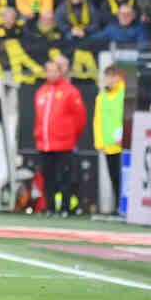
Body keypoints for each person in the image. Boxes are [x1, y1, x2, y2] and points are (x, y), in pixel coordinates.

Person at [34, 59, 87, 215]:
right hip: (44, 144)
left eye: (53, 70)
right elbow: (39, 118)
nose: (50, 74)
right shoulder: (41, 91)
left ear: (60, 72)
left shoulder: (70, 91)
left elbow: (80, 118)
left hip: (64, 143)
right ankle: (49, 207)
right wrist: (39, 135)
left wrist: (70, 137)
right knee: (47, 177)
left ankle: (65, 207)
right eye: (48, 70)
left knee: (65, 177)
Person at [93, 66, 126, 214]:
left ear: (119, 77)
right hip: (108, 145)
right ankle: (118, 206)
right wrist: (99, 142)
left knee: (124, 178)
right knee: (114, 178)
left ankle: (124, 206)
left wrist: (126, 138)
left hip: (123, 146)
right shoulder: (101, 97)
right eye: (107, 77)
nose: (109, 80)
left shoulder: (124, 94)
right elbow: (97, 121)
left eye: (112, 76)